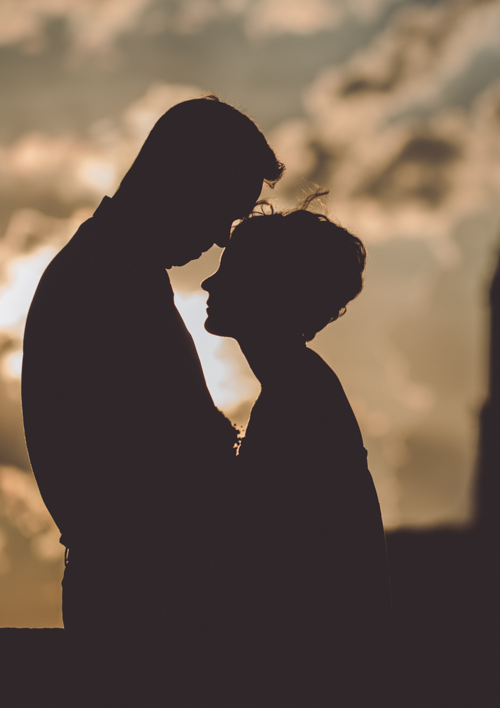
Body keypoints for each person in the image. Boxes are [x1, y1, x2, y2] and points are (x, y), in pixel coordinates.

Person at [21, 97, 284, 688]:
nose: (221, 239)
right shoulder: (105, 282)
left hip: (138, 596)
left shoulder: (110, 272)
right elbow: (158, 466)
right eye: (223, 209)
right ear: (181, 179)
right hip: (148, 608)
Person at [201, 194, 393, 705]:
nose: (208, 283)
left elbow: (270, 564)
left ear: (268, 291)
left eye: (230, 273)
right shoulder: (301, 387)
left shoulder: (296, 399)